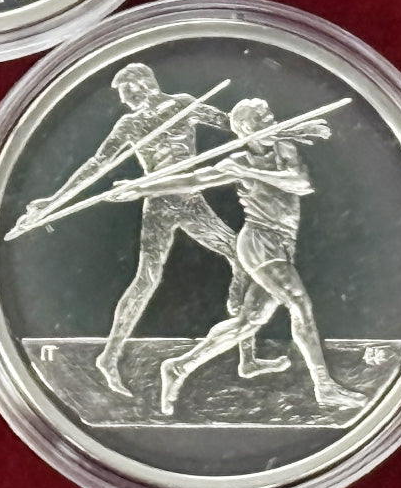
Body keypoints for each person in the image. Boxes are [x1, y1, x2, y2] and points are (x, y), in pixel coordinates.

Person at [23, 63, 281, 395]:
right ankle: (109, 358)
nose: (124, 99)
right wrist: (52, 202)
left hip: (191, 202)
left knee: (240, 257)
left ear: (142, 85)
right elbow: (97, 164)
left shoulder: (183, 105)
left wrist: (271, 131)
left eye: (126, 91)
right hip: (159, 205)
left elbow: (232, 124)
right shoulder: (130, 125)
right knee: (146, 280)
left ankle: (247, 358)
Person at [156, 99, 367, 416]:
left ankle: (178, 367)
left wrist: (250, 172)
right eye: (263, 120)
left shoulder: (283, 150)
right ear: (246, 129)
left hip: (282, 243)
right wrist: (140, 188)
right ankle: (324, 386)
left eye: (271, 116)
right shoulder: (236, 161)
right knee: (299, 302)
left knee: (247, 323)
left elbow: (300, 184)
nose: (272, 123)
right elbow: (194, 180)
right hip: (259, 243)